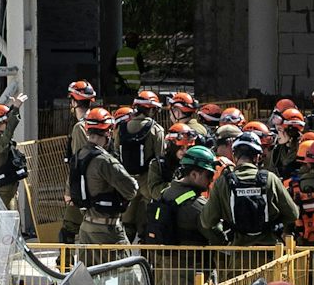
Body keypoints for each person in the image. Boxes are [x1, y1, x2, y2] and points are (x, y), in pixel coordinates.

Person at [202, 132, 299, 246]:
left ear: (234, 156)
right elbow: (293, 214)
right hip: (270, 250)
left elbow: (207, 221)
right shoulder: (270, 179)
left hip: (238, 251)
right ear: (257, 157)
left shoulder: (223, 182)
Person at [69, 108, 138, 245]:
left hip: (86, 229)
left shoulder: (78, 156)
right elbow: (131, 190)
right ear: (107, 132)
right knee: (125, 260)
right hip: (107, 231)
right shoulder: (105, 161)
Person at [142, 145, 217, 247]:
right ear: (194, 175)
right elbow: (219, 238)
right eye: (209, 176)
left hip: (163, 256)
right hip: (191, 257)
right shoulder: (198, 206)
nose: (211, 180)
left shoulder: (165, 193)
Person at [115, 96, 167, 236]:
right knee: (148, 222)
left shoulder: (122, 128)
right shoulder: (156, 130)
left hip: (127, 182)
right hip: (148, 182)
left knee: (126, 225)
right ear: (151, 110)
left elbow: (116, 152)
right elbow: (160, 158)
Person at [58, 80, 98, 244]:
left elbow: (78, 162)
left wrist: (70, 191)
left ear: (74, 102)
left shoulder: (80, 127)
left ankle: (66, 261)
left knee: (68, 231)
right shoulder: (97, 121)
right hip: (98, 184)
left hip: (83, 187)